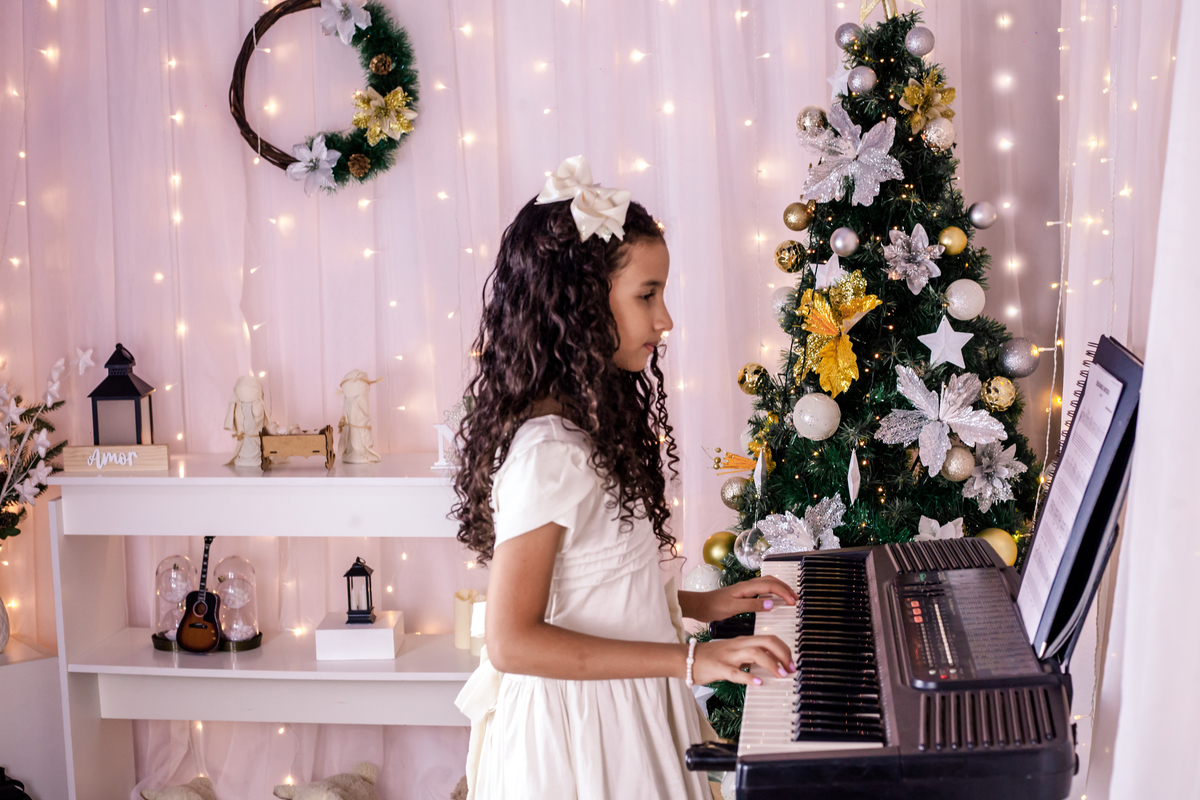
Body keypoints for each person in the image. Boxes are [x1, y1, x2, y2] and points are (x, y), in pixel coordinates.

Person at [452, 156, 797, 800]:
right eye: (647, 295)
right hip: (578, 736)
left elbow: (599, 594)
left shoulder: (590, 430)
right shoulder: (548, 453)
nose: (664, 319)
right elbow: (512, 641)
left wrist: (706, 608)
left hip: (623, 704)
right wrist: (691, 660)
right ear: (580, 304)